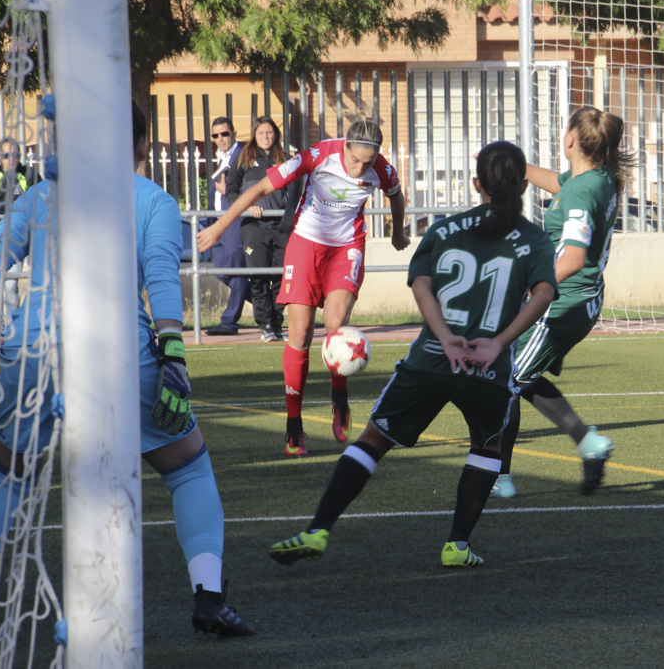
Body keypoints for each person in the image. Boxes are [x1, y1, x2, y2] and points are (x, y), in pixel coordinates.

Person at [0, 100, 255, 642]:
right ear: (143, 146)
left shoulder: (41, 195)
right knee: (188, 469)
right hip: (121, 355)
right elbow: (161, 279)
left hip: (30, 354)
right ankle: (210, 600)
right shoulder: (153, 199)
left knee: (3, 476)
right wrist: (173, 356)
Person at [267, 140, 557, 568]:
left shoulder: (445, 230)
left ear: (476, 184)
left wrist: (443, 336)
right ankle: (457, 545)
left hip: (432, 360)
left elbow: (420, 284)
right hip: (487, 366)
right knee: (490, 444)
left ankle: (318, 530)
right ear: (524, 187)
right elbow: (545, 293)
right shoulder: (534, 239)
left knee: (373, 440)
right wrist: (498, 342)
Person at [197, 116, 410, 455]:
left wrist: (398, 231)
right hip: (306, 243)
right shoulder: (318, 155)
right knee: (299, 336)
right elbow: (259, 189)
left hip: (346, 247)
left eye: (366, 163)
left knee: (336, 325)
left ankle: (338, 394)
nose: (358, 170)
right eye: (355, 160)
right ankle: (293, 428)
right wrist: (220, 227)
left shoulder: (380, 168)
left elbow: (397, 198)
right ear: (346, 146)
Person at [492, 106, 624, 499]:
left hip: (563, 301)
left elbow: (572, 257)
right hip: (579, 298)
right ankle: (587, 443)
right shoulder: (595, 178)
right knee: (519, 375)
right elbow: (556, 183)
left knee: (508, 380)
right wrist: (513, 161)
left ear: (570, 139)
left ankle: (500, 477)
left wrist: (534, 286)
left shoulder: (583, 192)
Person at [224, 116, 297, 342]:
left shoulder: (287, 160)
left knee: (282, 277)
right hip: (254, 228)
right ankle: (265, 325)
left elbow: (296, 194)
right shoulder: (243, 160)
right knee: (258, 277)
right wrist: (248, 205)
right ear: (254, 136)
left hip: (282, 227)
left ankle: (277, 323)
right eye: (261, 133)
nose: (265, 137)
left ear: (276, 135)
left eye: (269, 132)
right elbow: (231, 191)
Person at [205, 116, 252, 336]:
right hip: (218, 223)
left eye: (224, 134)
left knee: (235, 270)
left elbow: (254, 189)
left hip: (234, 222)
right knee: (223, 269)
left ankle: (229, 321)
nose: (220, 138)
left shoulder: (242, 156)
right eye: (216, 135)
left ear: (233, 133)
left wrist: (227, 193)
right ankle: (266, 304)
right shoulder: (222, 157)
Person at [0, 138, 39, 238]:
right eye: (6, 155)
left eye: (15, 155)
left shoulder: (29, 173)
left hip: (22, 233)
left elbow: (39, 201)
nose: (11, 159)